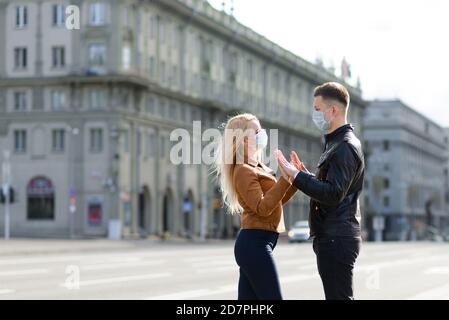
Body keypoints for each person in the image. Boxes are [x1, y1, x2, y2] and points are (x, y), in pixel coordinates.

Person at [275, 82, 365, 300]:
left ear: (332, 110)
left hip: (336, 237)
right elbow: (332, 186)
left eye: (317, 109)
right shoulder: (336, 143)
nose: (314, 114)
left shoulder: (344, 146)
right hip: (333, 236)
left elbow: (333, 194)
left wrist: (296, 176)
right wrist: (303, 173)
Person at [212, 113, 297, 300]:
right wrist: (284, 180)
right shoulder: (243, 170)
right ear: (242, 139)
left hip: (260, 242)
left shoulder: (258, 166)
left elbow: (274, 203)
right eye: (256, 131)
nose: (262, 134)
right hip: (254, 244)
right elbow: (262, 207)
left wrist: (295, 180)